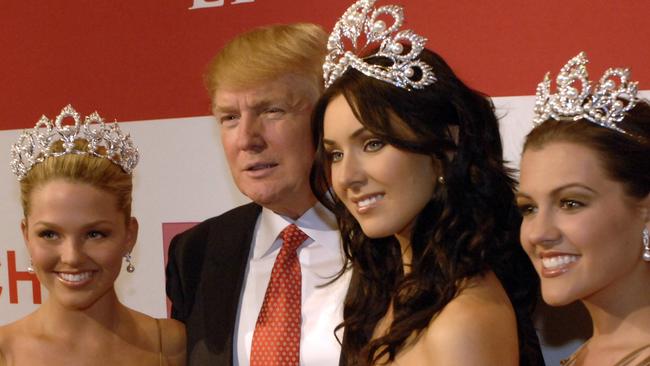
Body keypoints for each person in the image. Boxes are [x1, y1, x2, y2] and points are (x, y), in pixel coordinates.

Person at [309, 0, 544, 364]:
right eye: (335, 154)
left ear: (445, 147)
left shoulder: (464, 319)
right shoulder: (387, 292)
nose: (346, 177)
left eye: (373, 143)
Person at [165, 23, 351, 365]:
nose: (247, 138)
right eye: (230, 117)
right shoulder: (197, 252)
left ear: (327, 117)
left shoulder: (396, 244)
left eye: (271, 110)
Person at [0, 105, 186, 365]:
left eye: (95, 234)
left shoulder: (169, 345)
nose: (72, 257)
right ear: (26, 236)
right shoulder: (5, 352)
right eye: (50, 234)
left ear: (129, 235)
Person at [517, 52, 650, 365]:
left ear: (644, 209)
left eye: (571, 203)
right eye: (528, 208)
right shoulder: (585, 356)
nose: (539, 233)